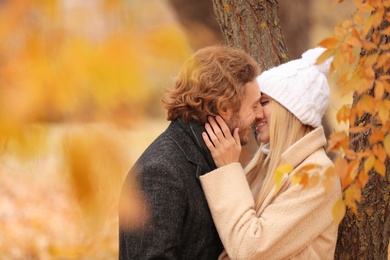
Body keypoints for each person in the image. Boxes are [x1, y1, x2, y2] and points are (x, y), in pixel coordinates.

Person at [119, 45, 264, 259]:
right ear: (224, 107)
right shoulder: (161, 173)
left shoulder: (213, 158)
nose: (260, 114)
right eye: (253, 106)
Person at [200, 47, 342, 259]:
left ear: (292, 109)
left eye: (264, 103)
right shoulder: (266, 166)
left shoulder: (318, 176)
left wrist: (229, 170)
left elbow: (251, 250)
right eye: (255, 104)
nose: (256, 114)